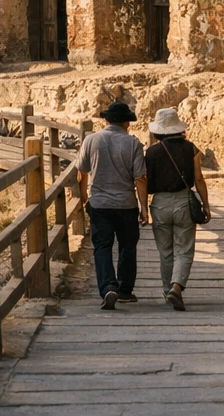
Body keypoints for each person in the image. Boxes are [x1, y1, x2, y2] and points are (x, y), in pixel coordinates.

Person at [76, 100, 148, 310]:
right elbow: (140, 178)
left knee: (102, 246)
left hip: (99, 203)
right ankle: (125, 290)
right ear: (127, 123)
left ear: (106, 120)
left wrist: (83, 199)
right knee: (127, 246)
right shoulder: (133, 144)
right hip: (126, 204)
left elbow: (81, 172)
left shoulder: (91, 140)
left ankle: (108, 287)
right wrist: (144, 208)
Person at [145, 107, 211, 311]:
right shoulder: (191, 148)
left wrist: (142, 208)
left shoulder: (151, 152)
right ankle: (177, 287)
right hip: (183, 201)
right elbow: (198, 178)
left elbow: (143, 179)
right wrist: (206, 204)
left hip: (159, 203)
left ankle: (167, 290)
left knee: (165, 251)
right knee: (184, 249)